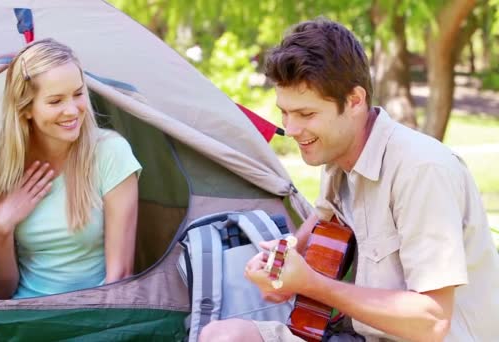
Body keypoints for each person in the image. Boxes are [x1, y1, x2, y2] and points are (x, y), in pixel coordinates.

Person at [199, 18, 499, 341]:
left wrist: (312, 284)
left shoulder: (422, 171)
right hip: (359, 335)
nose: (292, 130)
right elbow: (322, 218)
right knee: (221, 336)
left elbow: (433, 321)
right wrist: (283, 257)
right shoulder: (339, 156)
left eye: (306, 114)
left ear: (355, 100)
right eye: (285, 112)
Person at [0, 38, 141, 302]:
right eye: (55, 101)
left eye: (78, 94)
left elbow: (120, 277)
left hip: (92, 315)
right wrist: (0, 227)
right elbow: (1, 291)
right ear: (26, 109)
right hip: (24, 316)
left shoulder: (110, 154)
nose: (72, 110)